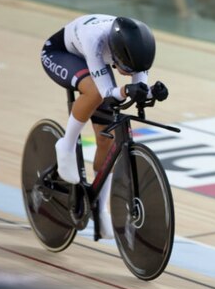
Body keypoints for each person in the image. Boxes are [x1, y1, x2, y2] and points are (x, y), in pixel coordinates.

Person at [40, 15, 167, 239]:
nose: (129, 73)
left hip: (94, 61)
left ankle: (100, 207)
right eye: (126, 67)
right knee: (95, 93)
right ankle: (66, 145)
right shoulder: (95, 39)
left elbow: (137, 86)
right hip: (62, 54)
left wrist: (151, 92)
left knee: (106, 141)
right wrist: (127, 91)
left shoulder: (138, 49)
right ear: (117, 54)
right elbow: (108, 93)